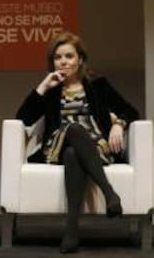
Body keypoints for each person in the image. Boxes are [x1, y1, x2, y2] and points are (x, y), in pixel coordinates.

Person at [16, 31, 139, 253]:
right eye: (58, 57)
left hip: (94, 146)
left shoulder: (98, 85)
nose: (63, 61)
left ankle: (71, 229)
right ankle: (109, 193)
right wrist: (43, 86)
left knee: (74, 153)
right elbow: (22, 118)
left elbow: (130, 110)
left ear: (80, 59)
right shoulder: (52, 91)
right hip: (56, 147)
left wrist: (119, 125)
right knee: (73, 130)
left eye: (69, 56)